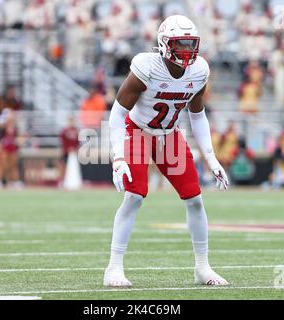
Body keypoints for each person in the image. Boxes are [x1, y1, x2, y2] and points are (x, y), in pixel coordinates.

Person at [104, 15, 229, 287]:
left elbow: (197, 116)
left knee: (195, 199)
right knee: (134, 197)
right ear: (163, 44)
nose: (186, 50)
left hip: (169, 135)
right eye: (180, 44)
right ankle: (113, 268)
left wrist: (211, 157)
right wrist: (118, 156)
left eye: (190, 44)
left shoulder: (199, 71)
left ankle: (202, 267)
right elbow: (117, 113)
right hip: (136, 131)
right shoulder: (146, 67)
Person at [58, 116, 79, 187]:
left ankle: (71, 181)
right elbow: (63, 141)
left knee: (73, 166)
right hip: (66, 151)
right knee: (63, 165)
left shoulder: (76, 130)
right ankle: (62, 180)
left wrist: (75, 149)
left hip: (74, 152)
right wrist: (67, 149)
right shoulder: (64, 131)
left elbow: (78, 142)